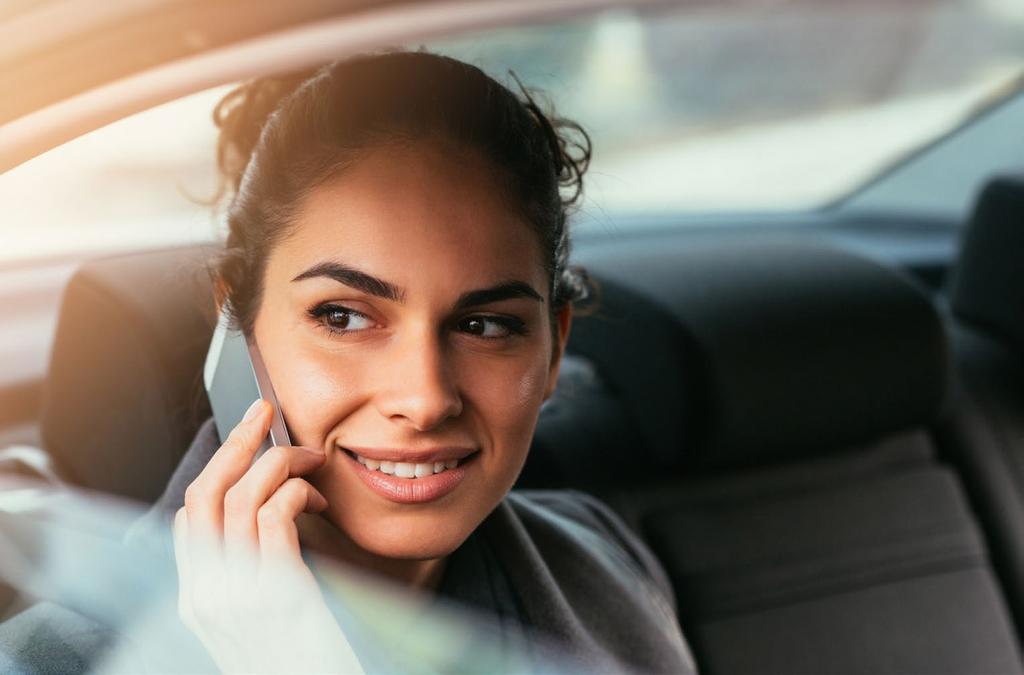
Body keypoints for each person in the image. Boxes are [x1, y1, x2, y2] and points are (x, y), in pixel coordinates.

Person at [5, 50, 695, 674]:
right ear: (238, 320)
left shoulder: (605, 561)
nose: (424, 398)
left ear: (555, 349)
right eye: (343, 317)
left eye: (486, 324)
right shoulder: (48, 663)